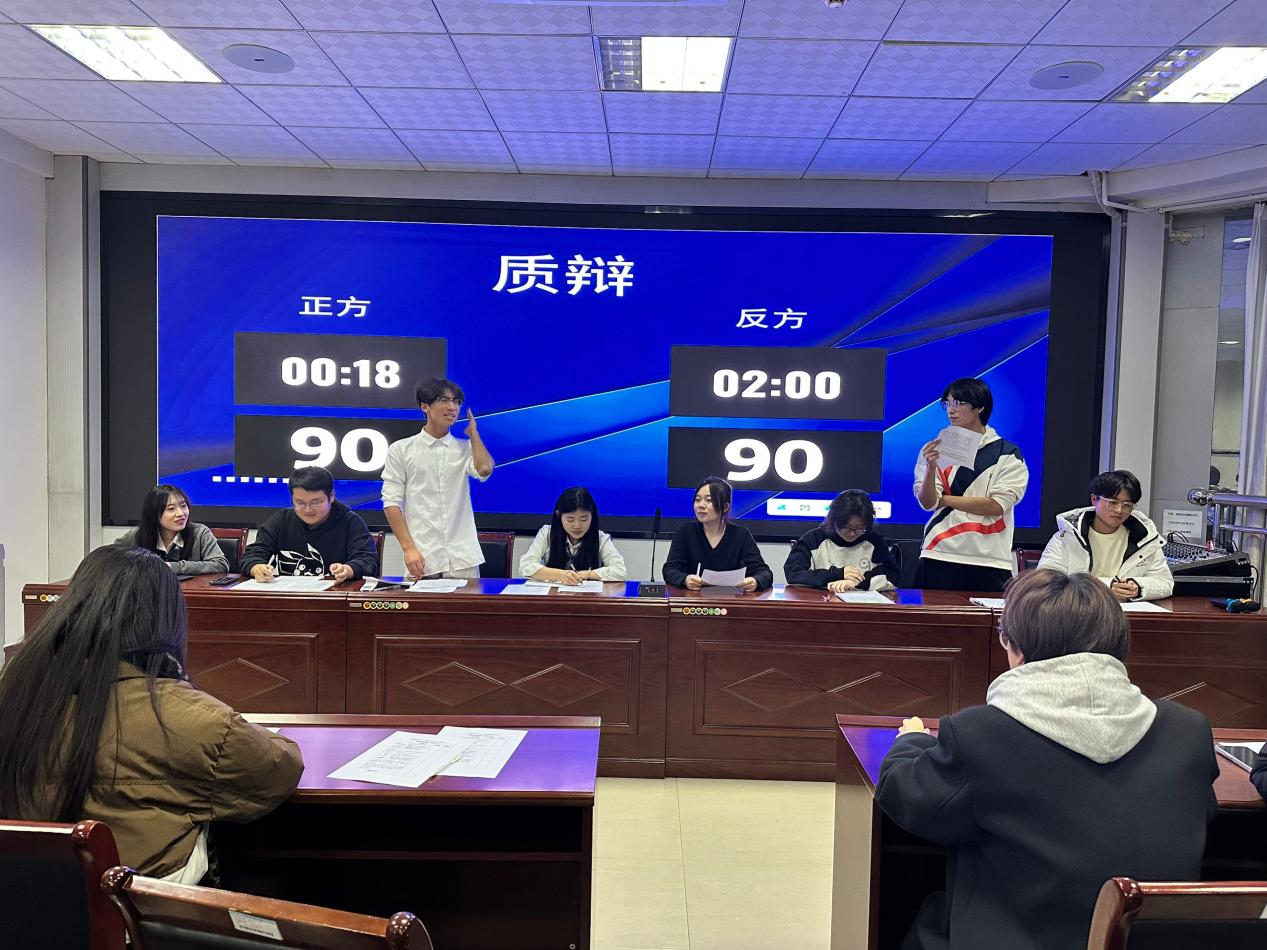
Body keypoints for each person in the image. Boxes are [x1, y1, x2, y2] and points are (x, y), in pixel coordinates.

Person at [876, 570, 1218, 950]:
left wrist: (911, 740)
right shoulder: (1189, 732)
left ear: (1016, 647)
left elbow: (905, 795)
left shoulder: (979, 734)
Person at [0, 546, 303, 882]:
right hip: (144, 908)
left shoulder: (15, 694)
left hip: (26, 904)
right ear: (165, 619)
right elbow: (279, 769)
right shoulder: (191, 718)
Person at [914, 377, 1028, 591]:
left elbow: (996, 505)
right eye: (947, 404)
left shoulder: (1007, 453)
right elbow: (928, 503)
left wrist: (945, 500)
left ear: (980, 407)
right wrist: (931, 467)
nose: (951, 410)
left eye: (958, 403)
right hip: (939, 551)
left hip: (990, 557)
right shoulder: (934, 449)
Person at [382, 378, 494, 580]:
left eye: (457, 401)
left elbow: (485, 469)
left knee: (467, 602)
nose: (452, 407)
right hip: (422, 556)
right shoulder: (401, 449)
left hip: (463, 558)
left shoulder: (464, 448)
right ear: (425, 406)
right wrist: (408, 548)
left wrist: (474, 434)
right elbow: (391, 503)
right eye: (444, 400)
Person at [1037, 469, 1173, 601]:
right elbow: (1047, 583)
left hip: (1129, 612)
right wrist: (1107, 587)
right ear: (1094, 499)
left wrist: (1138, 587)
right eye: (1112, 502)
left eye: (1127, 505)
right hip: (1080, 611)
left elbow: (1165, 582)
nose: (1119, 510)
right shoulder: (1066, 538)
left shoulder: (1145, 539)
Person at [240, 466, 378, 583]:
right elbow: (252, 555)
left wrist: (347, 570)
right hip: (289, 597)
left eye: (316, 502)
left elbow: (368, 561)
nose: (308, 510)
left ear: (331, 496)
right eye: (300, 503)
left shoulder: (350, 522)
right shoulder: (281, 520)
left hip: (334, 597)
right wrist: (257, 568)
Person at [662, 476, 772, 592]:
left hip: (731, 598)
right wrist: (685, 579)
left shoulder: (741, 535)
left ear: (725, 506)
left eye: (709, 500)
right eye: (698, 500)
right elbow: (669, 569)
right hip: (694, 599)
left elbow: (765, 573)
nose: (701, 505)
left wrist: (755, 581)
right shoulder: (685, 531)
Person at [784, 489, 898, 592]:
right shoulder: (813, 540)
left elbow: (892, 575)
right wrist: (838, 574)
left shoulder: (875, 541)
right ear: (834, 521)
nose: (852, 533)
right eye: (847, 528)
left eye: (859, 528)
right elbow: (794, 574)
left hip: (866, 604)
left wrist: (859, 583)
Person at [520, 486, 627, 583]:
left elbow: (620, 571)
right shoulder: (546, 533)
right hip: (553, 596)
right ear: (558, 515)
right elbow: (526, 565)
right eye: (570, 519)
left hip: (588, 596)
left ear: (592, 516)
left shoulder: (601, 538)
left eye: (584, 519)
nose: (577, 526)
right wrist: (562, 575)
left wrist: (584, 574)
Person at [114, 484, 228, 575]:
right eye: (171, 508)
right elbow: (111, 559)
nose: (181, 513)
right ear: (154, 513)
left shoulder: (200, 532)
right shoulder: (137, 535)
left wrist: (175, 567)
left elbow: (221, 564)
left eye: (183, 506)